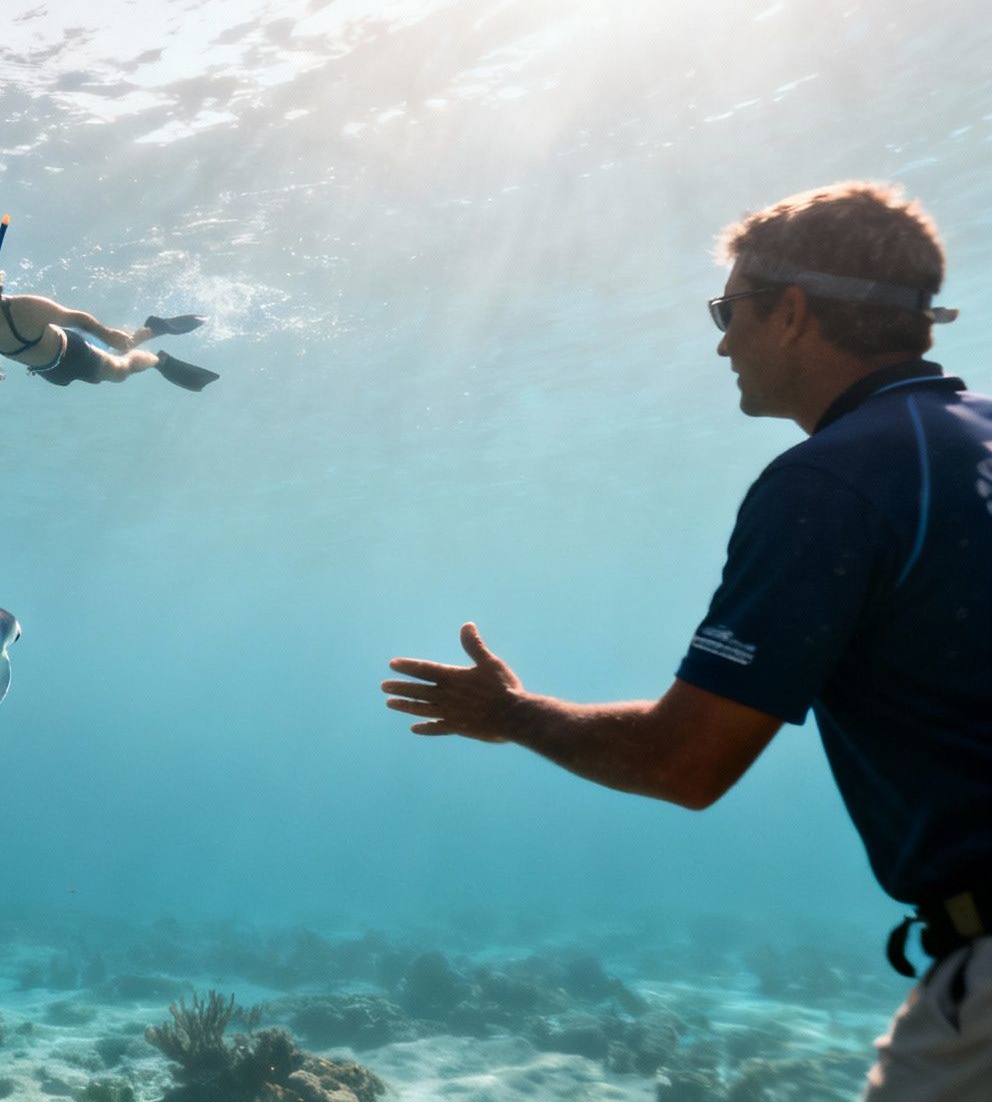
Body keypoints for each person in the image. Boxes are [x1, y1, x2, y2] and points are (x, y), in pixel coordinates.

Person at [380, 182, 988, 1101]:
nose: (720, 340)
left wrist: (511, 714)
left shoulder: (832, 482)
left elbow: (684, 763)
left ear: (790, 312)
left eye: (730, 309)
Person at [0, 216, 219, 391]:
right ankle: (148, 331)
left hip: (71, 352)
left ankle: (158, 359)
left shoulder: (26, 309)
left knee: (119, 371)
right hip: (50, 372)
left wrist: (105, 333)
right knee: (105, 369)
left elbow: (76, 319)